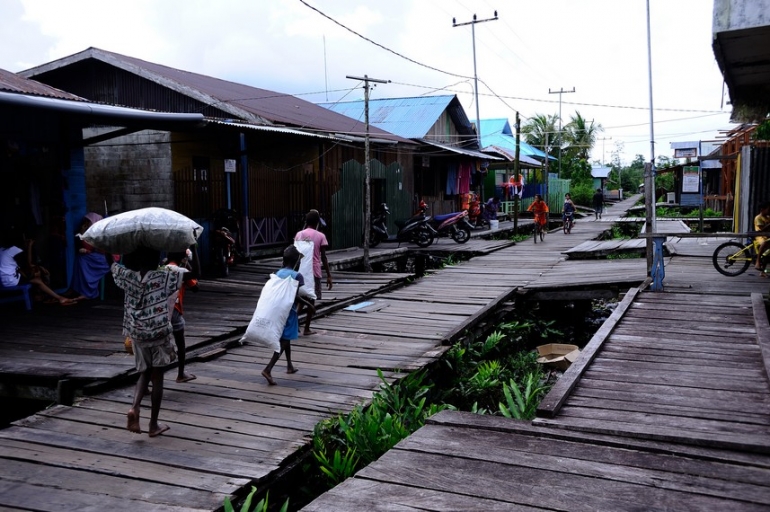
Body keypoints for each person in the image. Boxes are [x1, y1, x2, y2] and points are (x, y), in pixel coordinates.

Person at [112, 245, 189, 437]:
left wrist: (107, 250)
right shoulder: (163, 277)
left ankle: (135, 407)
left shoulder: (127, 276)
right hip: (158, 333)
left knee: (143, 372)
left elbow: (112, 266)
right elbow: (190, 275)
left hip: (137, 333)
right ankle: (153, 425)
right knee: (157, 377)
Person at [262, 245, 315, 385]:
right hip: (289, 311)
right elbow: (294, 297)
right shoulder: (297, 275)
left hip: (278, 310)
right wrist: (309, 304)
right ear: (297, 262)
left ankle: (289, 365)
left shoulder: (279, 273)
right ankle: (268, 368)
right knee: (285, 340)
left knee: (287, 336)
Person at [0, 239, 76, 306]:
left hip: (4, 281)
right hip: (11, 281)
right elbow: (29, 264)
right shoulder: (14, 249)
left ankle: (55, 297)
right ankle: (53, 297)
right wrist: (29, 246)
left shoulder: (1, 250)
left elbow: (19, 267)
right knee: (37, 275)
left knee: (36, 278)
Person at [165, 247, 200, 383]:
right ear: (182, 258)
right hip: (175, 310)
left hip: (160, 311)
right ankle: (181, 373)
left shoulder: (162, 269)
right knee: (180, 343)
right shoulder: (181, 271)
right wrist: (187, 264)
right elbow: (196, 287)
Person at [294, 210, 332, 335]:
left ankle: (293, 324)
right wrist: (329, 276)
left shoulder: (299, 235)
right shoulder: (320, 236)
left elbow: (295, 253)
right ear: (317, 223)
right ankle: (306, 328)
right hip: (314, 271)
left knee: (301, 299)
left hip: (300, 271)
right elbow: (324, 257)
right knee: (311, 299)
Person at [70, 213, 112, 301]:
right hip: (94, 256)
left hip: (105, 259)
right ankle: (81, 290)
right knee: (80, 259)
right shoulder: (85, 231)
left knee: (83, 260)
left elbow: (102, 249)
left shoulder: (101, 233)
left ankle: (88, 292)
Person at [754, 202, 770, 273]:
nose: (769, 211)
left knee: (766, 254)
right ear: (762, 209)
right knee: (764, 243)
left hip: (767, 236)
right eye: (768, 209)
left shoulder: (768, 217)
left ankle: (762, 272)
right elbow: (762, 229)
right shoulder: (758, 218)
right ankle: (757, 262)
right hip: (760, 236)